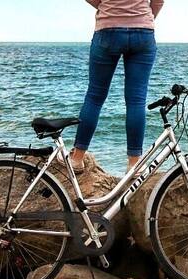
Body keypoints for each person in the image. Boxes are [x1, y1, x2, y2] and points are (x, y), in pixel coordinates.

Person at [71, 0, 164, 171]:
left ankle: (77, 159)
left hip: (107, 28)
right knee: (136, 101)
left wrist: (105, 6)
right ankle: (134, 164)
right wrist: (144, 18)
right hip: (143, 31)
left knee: (94, 97)